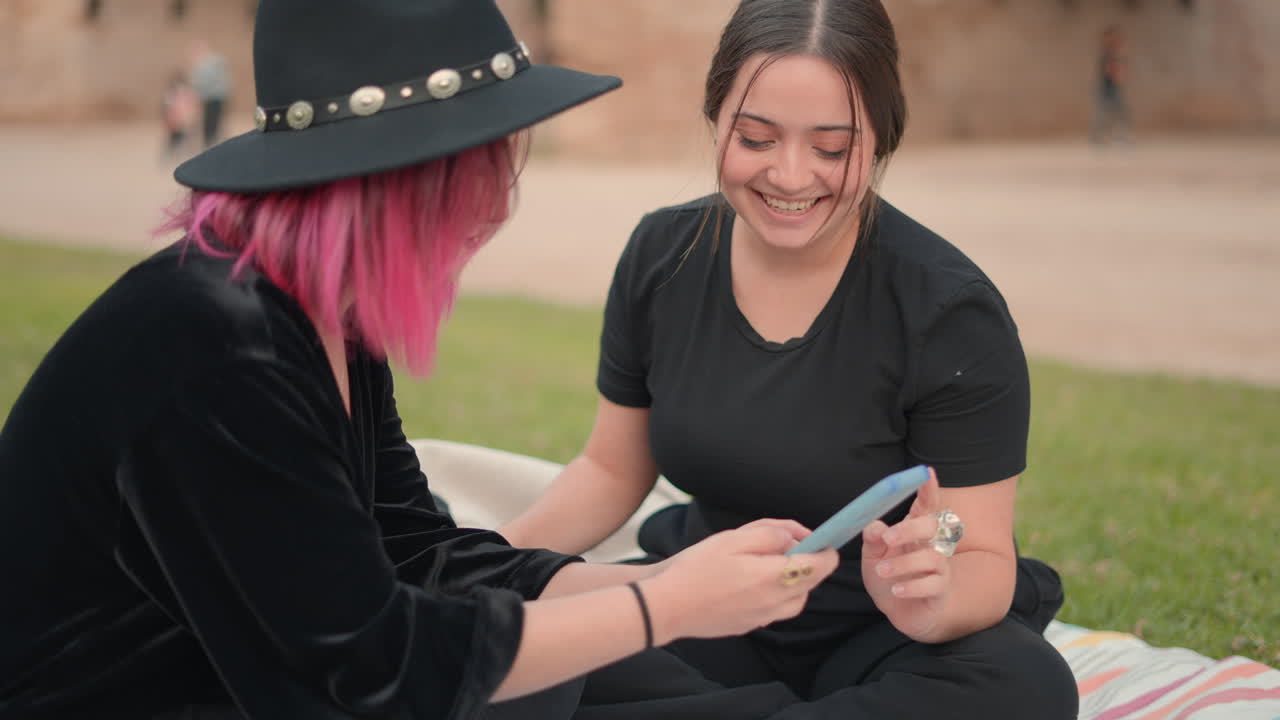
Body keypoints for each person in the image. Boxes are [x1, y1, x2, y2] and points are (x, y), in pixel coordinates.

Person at [0, 1, 839, 718]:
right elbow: (377, 673)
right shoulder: (215, 347)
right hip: (144, 696)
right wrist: (664, 604)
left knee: (663, 680)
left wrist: (671, 583)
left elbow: (420, 551)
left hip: (299, 673)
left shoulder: (320, 312)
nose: (501, 198)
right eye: (486, 160)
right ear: (413, 176)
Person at [499, 0, 1080, 717]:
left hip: (881, 633)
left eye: (832, 149)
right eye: (756, 138)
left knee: (1025, 683)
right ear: (717, 118)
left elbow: (984, 556)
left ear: (883, 138)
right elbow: (612, 470)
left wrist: (931, 603)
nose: (791, 176)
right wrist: (491, 560)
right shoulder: (663, 257)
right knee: (511, 654)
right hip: (705, 608)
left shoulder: (949, 310)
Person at [1091, 25, 1132, 145]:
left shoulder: (1114, 55)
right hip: (1108, 88)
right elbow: (1110, 71)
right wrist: (1118, 76)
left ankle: (1116, 137)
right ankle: (1101, 138)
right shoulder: (1108, 55)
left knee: (1117, 113)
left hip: (1112, 88)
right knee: (1107, 113)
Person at [189, 40, 231, 148]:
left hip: (214, 97)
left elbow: (204, 82)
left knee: (213, 121)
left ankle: (212, 143)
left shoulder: (210, 63)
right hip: (211, 97)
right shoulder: (205, 64)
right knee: (211, 122)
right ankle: (211, 143)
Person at [160, 71, 198, 159]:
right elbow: (166, 105)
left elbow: (191, 103)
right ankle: (172, 153)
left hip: (182, 117)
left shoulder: (183, 92)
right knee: (176, 137)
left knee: (182, 136)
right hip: (176, 117)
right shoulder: (172, 93)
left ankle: (179, 153)